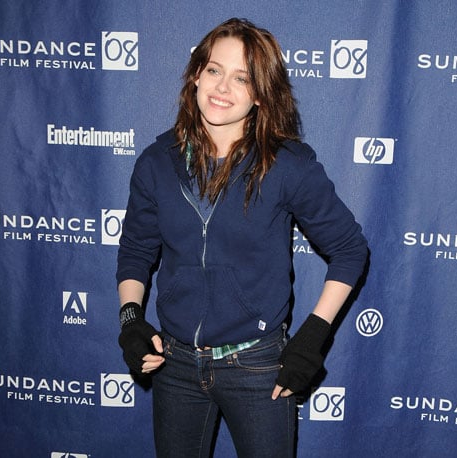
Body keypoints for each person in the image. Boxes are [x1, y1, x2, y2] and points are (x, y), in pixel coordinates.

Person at [116, 17, 368, 458]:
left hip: (257, 366)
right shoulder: (156, 163)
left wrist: (312, 337)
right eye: (214, 70)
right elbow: (136, 252)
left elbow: (349, 250)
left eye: (242, 78)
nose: (222, 88)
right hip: (174, 364)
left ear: (259, 94)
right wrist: (131, 320)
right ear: (196, 73)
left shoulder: (287, 166)